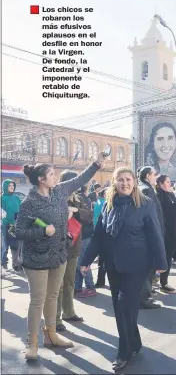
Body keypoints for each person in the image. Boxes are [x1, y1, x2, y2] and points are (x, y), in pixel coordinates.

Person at [15, 154, 104, 361]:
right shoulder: (29, 202)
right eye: (51, 174)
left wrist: (96, 164)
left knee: (53, 296)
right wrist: (42, 231)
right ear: (41, 179)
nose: (55, 177)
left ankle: (51, 334)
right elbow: (19, 231)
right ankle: (32, 343)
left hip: (59, 255)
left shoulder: (59, 191)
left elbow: (80, 180)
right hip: (36, 259)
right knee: (37, 300)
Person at [80, 167, 167, 371]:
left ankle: (124, 351)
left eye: (128, 179)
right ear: (114, 182)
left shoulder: (144, 204)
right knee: (122, 309)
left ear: (134, 182)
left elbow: (155, 234)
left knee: (124, 308)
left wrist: (161, 263)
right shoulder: (108, 205)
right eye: (120, 180)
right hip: (113, 265)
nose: (125, 183)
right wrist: (86, 260)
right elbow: (99, 235)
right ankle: (134, 342)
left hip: (137, 265)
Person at [55, 171, 86, 333]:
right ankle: (56, 319)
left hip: (74, 245)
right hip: (58, 246)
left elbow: (88, 216)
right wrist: (65, 210)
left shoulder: (79, 199)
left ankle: (69, 312)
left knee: (69, 282)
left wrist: (75, 209)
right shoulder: (55, 196)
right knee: (57, 285)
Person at [137, 166, 164, 308]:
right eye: (154, 174)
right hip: (149, 236)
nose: (156, 177)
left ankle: (145, 296)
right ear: (148, 176)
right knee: (147, 269)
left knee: (148, 269)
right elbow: (151, 216)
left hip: (150, 234)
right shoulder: (146, 190)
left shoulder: (146, 188)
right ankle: (143, 299)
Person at [155, 174, 176, 293]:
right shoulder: (157, 196)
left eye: (170, 182)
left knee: (168, 258)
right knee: (160, 258)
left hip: (174, 232)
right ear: (160, 183)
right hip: (164, 232)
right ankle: (153, 282)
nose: (170, 184)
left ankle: (164, 282)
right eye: (167, 182)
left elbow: (175, 210)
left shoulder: (171, 194)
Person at [1, 179, 21, 272]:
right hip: (4, 225)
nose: (12, 187)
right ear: (5, 187)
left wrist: (16, 221)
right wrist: (7, 221)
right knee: (4, 245)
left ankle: (16, 264)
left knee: (15, 245)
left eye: (13, 185)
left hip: (15, 225)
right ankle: (4, 263)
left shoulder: (16, 198)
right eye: (9, 185)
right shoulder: (2, 198)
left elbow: (20, 210)